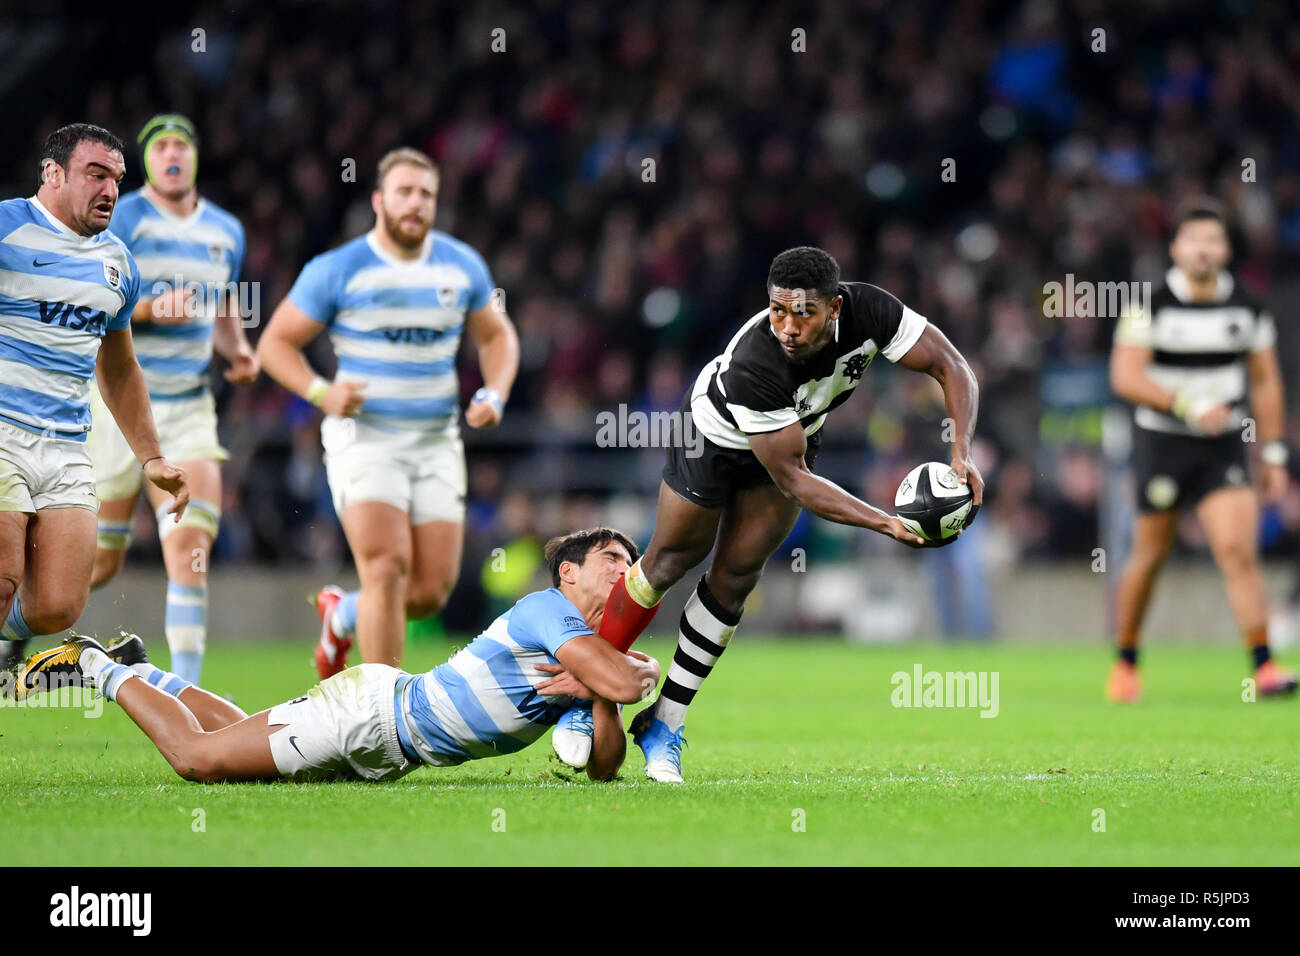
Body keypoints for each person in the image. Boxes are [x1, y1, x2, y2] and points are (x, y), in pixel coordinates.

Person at [566, 246, 983, 782]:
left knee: (735, 577)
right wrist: (884, 522)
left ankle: (665, 723)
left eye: (802, 313)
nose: (787, 325)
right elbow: (795, 480)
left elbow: (953, 367)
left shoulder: (873, 312)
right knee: (671, 559)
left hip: (791, 437)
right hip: (714, 437)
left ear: (835, 309)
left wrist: (962, 452)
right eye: (777, 310)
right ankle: (584, 694)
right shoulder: (756, 361)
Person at [15, 528, 660, 783]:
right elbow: (629, 682)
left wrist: (601, 690)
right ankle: (96, 666)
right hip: (373, 712)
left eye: (630, 563)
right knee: (197, 761)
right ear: (568, 573)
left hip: (391, 750)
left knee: (237, 732)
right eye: (610, 560)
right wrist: (628, 676)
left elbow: (604, 767)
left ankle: (146, 671)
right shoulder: (548, 611)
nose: (624, 572)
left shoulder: (585, 657)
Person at [257, 147, 518, 678]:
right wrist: (320, 392)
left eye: (426, 194)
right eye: (404, 191)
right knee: (386, 569)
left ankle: (342, 614)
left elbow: (497, 336)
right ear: (379, 199)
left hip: (436, 441)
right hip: (366, 439)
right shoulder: (338, 269)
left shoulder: (461, 264)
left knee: (426, 593)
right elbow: (276, 344)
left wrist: (495, 392)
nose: (415, 203)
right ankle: (381, 719)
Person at [0, 123, 189, 675]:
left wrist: (152, 457)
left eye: (117, 179)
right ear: (53, 174)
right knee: (4, 572)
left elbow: (121, 368)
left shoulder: (119, 265)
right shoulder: (7, 228)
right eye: (96, 174)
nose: (110, 189)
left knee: (57, 605)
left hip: (66, 446)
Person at [86, 114, 257, 685]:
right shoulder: (125, 215)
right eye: (160, 147)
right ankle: (16, 633)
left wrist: (238, 352)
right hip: (116, 409)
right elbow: (90, 293)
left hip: (187, 409)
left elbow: (225, 301)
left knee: (188, 553)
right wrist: (151, 309)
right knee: (100, 564)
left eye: (182, 143)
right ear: (148, 160)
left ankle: (187, 693)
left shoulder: (226, 230)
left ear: (195, 156)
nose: (172, 154)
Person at [1107, 198, 1296, 702]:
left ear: (1226, 250)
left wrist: (1273, 454)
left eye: (1213, 240)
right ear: (1176, 249)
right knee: (1150, 554)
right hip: (1161, 442)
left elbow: (1266, 382)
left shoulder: (1248, 307)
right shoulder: (1151, 304)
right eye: (1194, 240)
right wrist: (1187, 405)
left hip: (1223, 444)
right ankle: (1125, 662)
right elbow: (1125, 375)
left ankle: (1264, 666)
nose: (1204, 250)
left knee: (1237, 550)